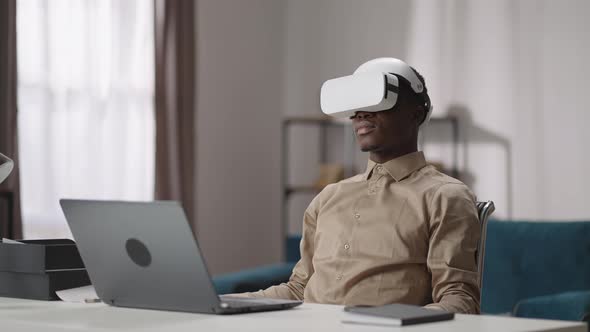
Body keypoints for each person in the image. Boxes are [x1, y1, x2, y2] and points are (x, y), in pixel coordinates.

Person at [241, 58, 480, 314]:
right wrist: (223, 302)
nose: (360, 114)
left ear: (416, 113)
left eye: (378, 103)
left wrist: (394, 323)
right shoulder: (329, 196)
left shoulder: (444, 197)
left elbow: (459, 300)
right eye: (357, 106)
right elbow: (299, 288)